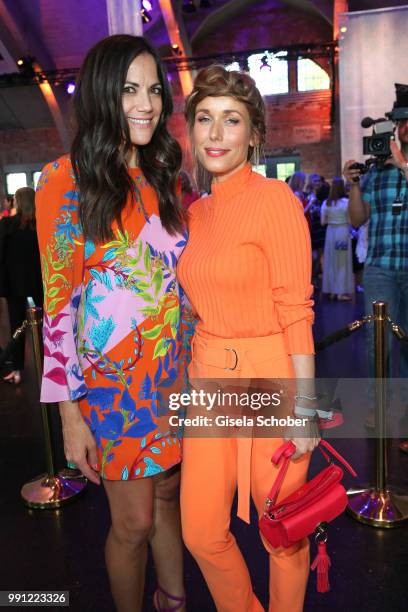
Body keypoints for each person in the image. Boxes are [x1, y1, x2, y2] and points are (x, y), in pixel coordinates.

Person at [35, 35, 190, 612]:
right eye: (130, 89)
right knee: (134, 520)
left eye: (153, 89)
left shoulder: (162, 178)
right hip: (113, 389)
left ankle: (173, 599)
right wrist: (70, 418)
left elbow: (178, 282)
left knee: (170, 496)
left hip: (173, 375)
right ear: (103, 94)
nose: (146, 102)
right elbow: (58, 308)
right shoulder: (64, 181)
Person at [177, 65, 319, 612]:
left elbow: (296, 310)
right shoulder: (197, 212)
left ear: (254, 134)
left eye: (230, 120)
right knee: (200, 532)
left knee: (281, 533)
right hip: (210, 381)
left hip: (272, 377)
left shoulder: (275, 199)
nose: (214, 134)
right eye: (204, 119)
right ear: (191, 131)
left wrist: (304, 409)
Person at [343, 83, 408, 454]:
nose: (404, 128)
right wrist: (353, 184)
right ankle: (377, 405)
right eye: (400, 122)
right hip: (381, 267)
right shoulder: (376, 172)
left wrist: (402, 165)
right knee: (378, 343)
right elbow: (356, 220)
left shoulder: (399, 165)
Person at [0, 187, 43, 383]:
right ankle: (49, 366)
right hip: (39, 282)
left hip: (14, 284)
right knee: (46, 325)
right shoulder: (42, 224)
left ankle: (17, 370)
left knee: (17, 327)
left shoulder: (7, 225)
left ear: (17, 201)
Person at [320, 177, 353, 300]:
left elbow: (323, 222)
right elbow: (350, 220)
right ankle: (340, 292)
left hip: (330, 233)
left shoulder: (326, 203)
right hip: (342, 232)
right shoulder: (346, 202)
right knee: (342, 262)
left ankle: (332, 290)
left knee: (331, 261)